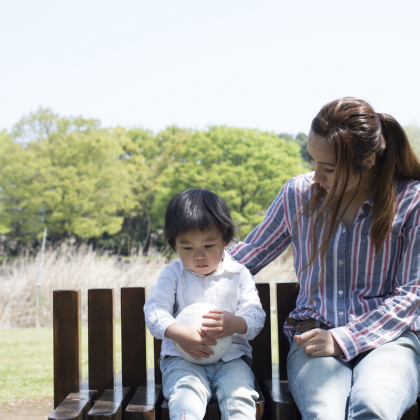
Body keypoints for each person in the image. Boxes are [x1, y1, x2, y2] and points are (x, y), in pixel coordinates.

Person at [229, 97, 420, 420]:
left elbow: (412, 295)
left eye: (328, 169)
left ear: (369, 161)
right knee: (324, 414)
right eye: (312, 161)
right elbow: (247, 257)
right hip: (313, 336)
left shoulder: (410, 201)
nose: (315, 177)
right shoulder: (298, 195)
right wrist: (176, 283)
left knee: (373, 407)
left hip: (391, 341)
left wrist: (344, 338)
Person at [144, 189, 266, 420]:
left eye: (209, 246)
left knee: (240, 398)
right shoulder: (172, 274)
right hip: (183, 361)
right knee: (185, 397)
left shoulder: (239, 274)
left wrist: (236, 323)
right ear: (174, 245)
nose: (199, 256)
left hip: (232, 360)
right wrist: (178, 333)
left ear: (225, 240)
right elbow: (154, 310)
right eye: (187, 248)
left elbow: (255, 314)